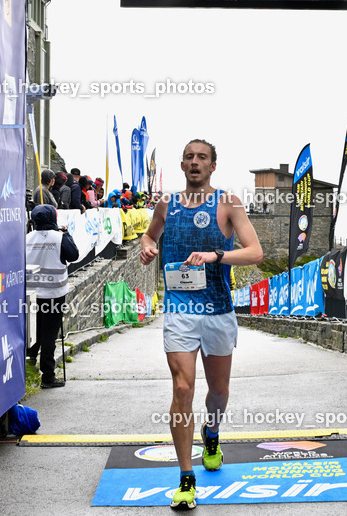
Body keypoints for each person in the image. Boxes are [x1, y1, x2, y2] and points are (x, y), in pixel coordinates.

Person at [140, 139, 263, 511]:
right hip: (179, 309)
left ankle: (212, 432)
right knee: (182, 388)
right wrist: (147, 246)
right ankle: (186, 478)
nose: (195, 162)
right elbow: (150, 234)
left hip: (218, 311)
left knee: (218, 392)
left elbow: (255, 252)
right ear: (182, 165)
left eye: (202, 157)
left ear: (212, 166)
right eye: (189, 157)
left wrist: (216, 255)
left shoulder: (228, 203)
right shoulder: (167, 204)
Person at [25, 204, 80, 388]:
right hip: (54, 294)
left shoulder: (26, 239)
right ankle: (47, 377)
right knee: (49, 335)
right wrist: (66, 233)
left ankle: (29, 365)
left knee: (33, 331)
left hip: (31, 294)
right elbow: (73, 256)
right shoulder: (59, 238)